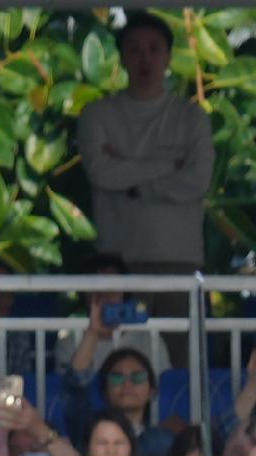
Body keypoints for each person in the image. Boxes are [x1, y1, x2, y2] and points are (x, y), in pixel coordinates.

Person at [77, 13, 211, 271]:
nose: (145, 59)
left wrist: (131, 176)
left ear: (169, 57)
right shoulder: (97, 115)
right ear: (123, 58)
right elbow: (101, 173)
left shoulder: (192, 117)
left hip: (181, 259)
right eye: (135, 50)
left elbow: (198, 181)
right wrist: (170, 165)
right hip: (118, 263)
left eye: (154, 49)